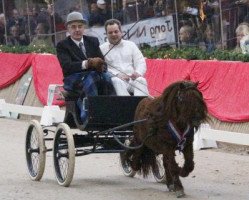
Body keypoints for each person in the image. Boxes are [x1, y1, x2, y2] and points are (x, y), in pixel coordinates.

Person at [56, 11, 115, 124]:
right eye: (73, 27)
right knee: (92, 77)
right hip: (73, 78)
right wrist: (87, 63)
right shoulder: (62, 45)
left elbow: (103, 63)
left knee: (108, 77)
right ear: (68, 29)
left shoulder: (93, 41)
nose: (77, 29)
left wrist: (101, 67)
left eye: (80, 26)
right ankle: (89, 115)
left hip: (94, 75)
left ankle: (111, 112)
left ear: (84, 28)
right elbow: (67, 67)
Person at [100, 19, 149, 96]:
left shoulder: (131, 45)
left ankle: (141, 106)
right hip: (116, 81)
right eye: (110, 32)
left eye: (116, 31)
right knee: (116, 81)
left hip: (132, 80)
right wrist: (117, 75)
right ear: (106, 34)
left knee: (141, 80)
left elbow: (140, 62)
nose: (113, 34)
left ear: (121, 32)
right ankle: (126, 106)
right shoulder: (102, 49)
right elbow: (103, 69)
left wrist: (138, 73)